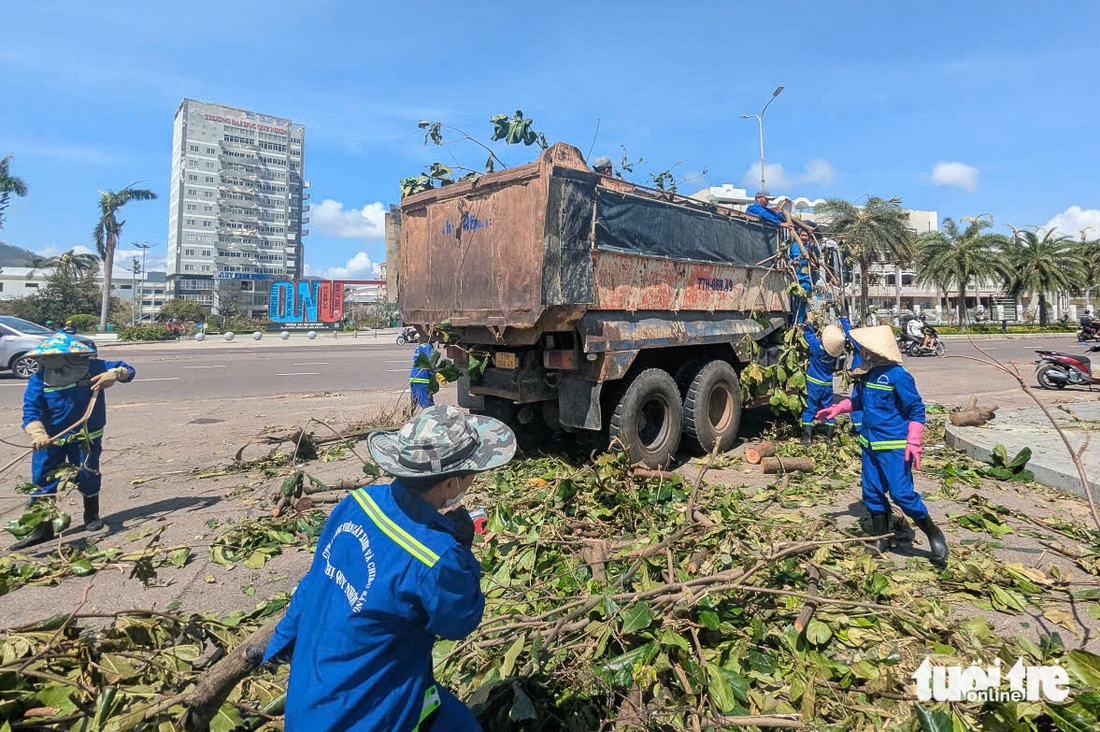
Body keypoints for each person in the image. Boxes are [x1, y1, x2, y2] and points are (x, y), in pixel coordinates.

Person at [260, 404, 517, 732]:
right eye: (473, 471)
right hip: (362, 714)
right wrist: (462, 549)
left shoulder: (357, 502)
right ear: (451, 485)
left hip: (311, 695)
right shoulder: (437, 557)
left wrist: (279, 644)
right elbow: (459, 621)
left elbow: (315, 581)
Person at [815, 325, 948, 567]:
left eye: (866, 349)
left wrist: (914, 442)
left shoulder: (898, 375)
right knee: (872, 492)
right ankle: (881, 538)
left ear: (877, 350)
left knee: (902, 494)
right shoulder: (867, 373)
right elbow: (859, 401)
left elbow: (917, 410)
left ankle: (933, 533)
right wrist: (838, 408)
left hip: (895, 446)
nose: (862, 352)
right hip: (869, 444)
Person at [14, 332, 135, 549]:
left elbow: (128, 370)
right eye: (45, 357)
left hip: (86, 436)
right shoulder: (40, 378)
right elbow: (31, 411)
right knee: (43, 479)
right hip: (51, 441)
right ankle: (43, 527)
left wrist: (115, 373)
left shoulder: (95, 368)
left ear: (72, 355)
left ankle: (91, 514)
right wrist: (37, 433)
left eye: (53, 356)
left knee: (87, 472)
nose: (46, 361)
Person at [801, 322, 837, 446]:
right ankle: (829, 438)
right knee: (828, 409)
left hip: (814, 384)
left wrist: (809, 325)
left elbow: (809, 336)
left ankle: (807, 439)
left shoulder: (817, 346)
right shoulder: (834, 353)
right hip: (827, 384)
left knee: (809, 409)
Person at [788, 228, 819, 325]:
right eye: (802, 235)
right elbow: (798, 258)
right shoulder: (795, 245)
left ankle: (799, 323)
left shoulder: (811, 246)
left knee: (803, 303)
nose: (804, 238)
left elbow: (817, 255)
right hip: (798, 278)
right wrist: (804, 256)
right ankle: (796, 323)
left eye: (806, 236)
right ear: (799, 236)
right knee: (799, 302)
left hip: (808, 279)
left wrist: (812, 248)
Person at [410, 340, 436, 409]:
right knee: (428, 405)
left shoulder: (419, 346)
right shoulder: (428, 347)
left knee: (414, 401)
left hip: (414, 376)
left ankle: (407, 416)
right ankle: (430, 418)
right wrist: (436, 374)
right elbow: (430, 363)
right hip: (422, 378)